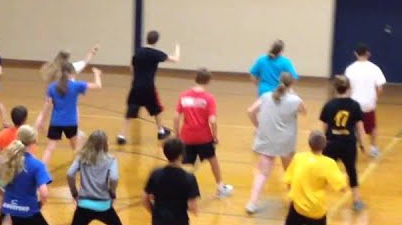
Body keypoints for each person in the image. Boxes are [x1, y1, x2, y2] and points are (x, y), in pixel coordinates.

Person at [44, 130, 145, 225]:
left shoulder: (82, 157)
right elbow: (114, 177)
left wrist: (74, 193)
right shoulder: (110, 160)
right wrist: (112, 193)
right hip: (104, 206)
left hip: (83, 205)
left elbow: (70, 174)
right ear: (105, 144)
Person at [245, 74, 306, 214]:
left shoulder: (266, 96)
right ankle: (294, 201)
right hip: (286, 141)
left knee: (262, 173)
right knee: (290, 171)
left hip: (267, 138)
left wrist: (258, 126)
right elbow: (304, 112)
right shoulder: (295, 100)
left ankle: (252, 203)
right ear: (292, 84)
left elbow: (250, 111)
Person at [174, 68, 234, 198]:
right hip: (204, 137)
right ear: (208, 81)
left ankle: (177, 188)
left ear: (195, 78)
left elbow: (176, 116)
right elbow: (212, 120)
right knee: (213, 160)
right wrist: (215, 136)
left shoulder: (184, 96)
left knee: (183, 163)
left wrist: (177, 134)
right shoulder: (209, 98)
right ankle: (220, 187)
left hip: (187, 136)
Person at [118, 31, 179, 145]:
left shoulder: (138, 52)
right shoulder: (156, 53)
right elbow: (175, 59)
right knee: (157, 109)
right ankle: (161, 131)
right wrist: (177, 47)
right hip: (148, 87)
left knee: (130, 111)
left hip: (136, 86)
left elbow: (131, 68)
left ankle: (121, 135)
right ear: (156, 41)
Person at [37, 63, 103, 166]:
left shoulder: (52, 87)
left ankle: (41, 171)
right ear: (72, 73)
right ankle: (81, 169)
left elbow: (47, 106)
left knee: (49, 149)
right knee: (76, 149)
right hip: (71, 122)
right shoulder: (76, 85)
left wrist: (41, 122)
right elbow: (98, 85)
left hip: (56, 122)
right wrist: (97, 74)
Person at [319, 75, 367, 211]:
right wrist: (362, 144)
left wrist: (324, 142)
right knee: (351, 170)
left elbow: (324, 127)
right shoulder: (355, 105)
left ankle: (316, 196)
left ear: (335, 88)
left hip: (331, 143)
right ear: (348, 88)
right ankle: (357, 200)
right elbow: (360, 128)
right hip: (348, 144)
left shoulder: (329, 105)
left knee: (324, 171)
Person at [344, 44, 387, 157]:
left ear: (355, 53)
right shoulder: (375, 68)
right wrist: (375, 97)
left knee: (352, 127)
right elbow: (380, 87)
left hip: (353, 103)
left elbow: (346, 87)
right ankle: (373, 148)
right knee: (372, 126)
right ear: (368, 54)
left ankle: (351, 148)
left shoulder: (350, 69)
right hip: (369, 103)